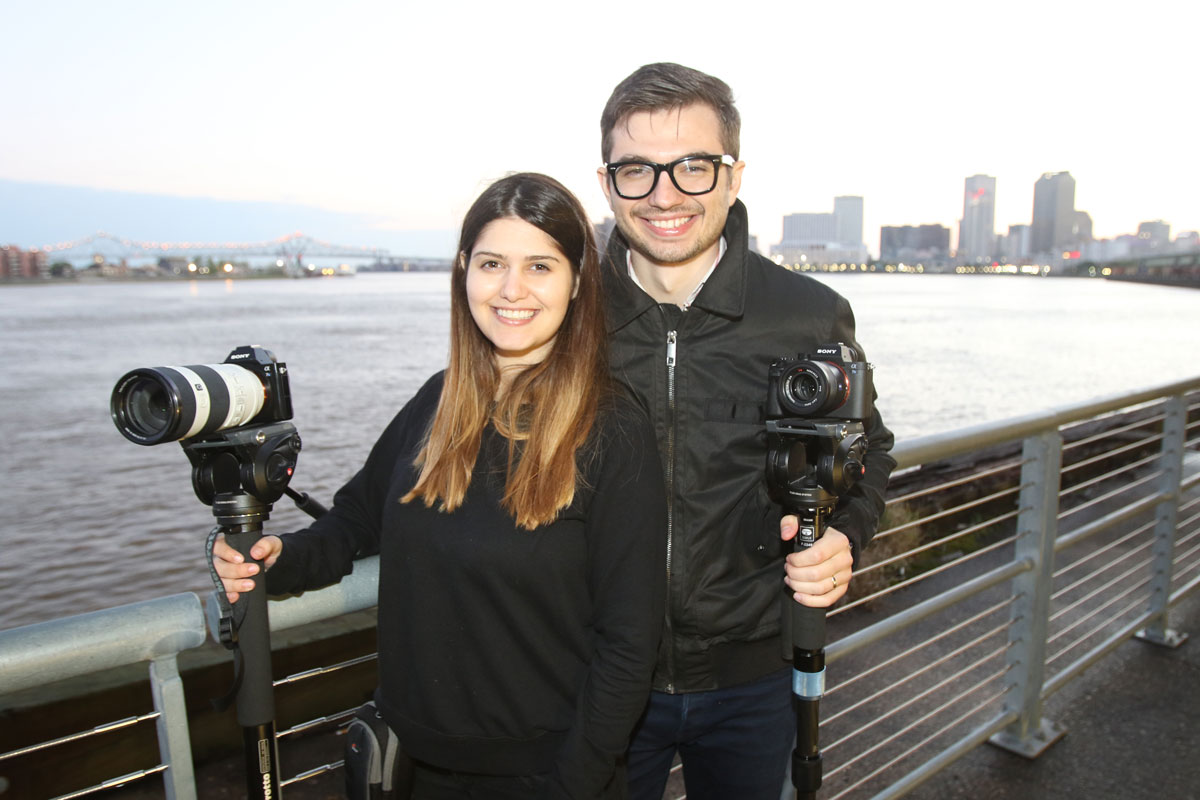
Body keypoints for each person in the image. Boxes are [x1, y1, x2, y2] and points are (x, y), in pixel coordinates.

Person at [214, 173, 667, 799]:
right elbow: (357, 519)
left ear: (577, 282)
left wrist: (574, 785)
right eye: (491, 264)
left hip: (542, 774)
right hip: (410, 764)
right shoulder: (439, 400)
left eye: (539, 266)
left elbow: (630, 644)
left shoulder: (613, 426)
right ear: (463, 272)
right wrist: (278, 559)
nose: (511, 289)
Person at [594, 63, 897, 800]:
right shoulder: (567, 317)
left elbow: (871, 450)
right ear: (607, 183)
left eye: (693, 167)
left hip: (754, 680)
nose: (664, 195)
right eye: (637, 169)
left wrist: (845, 536)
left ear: (733, 178)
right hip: (597, 675)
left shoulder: (806, 313)